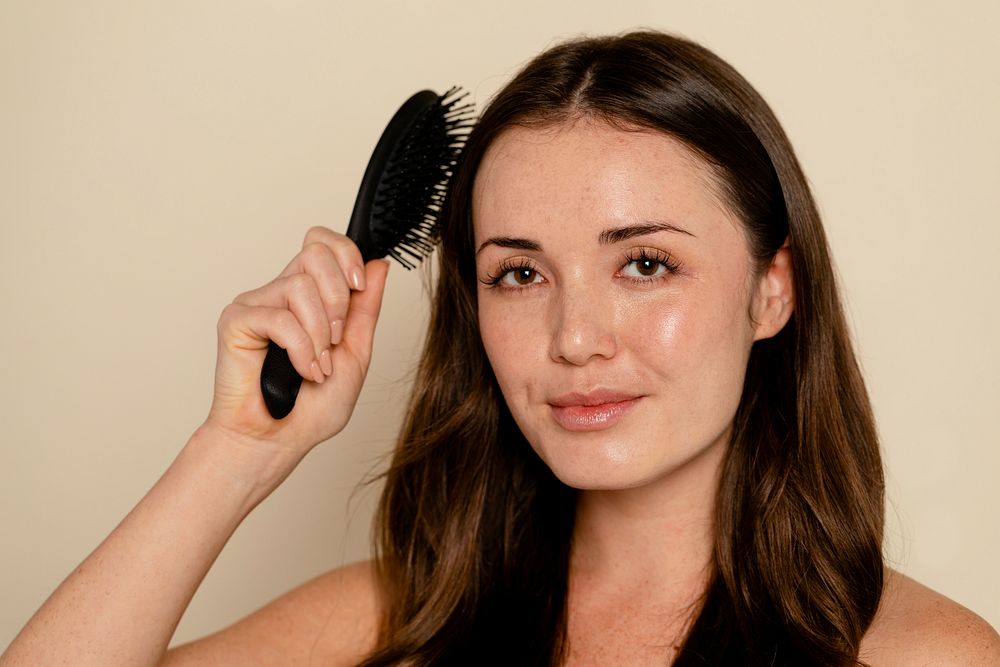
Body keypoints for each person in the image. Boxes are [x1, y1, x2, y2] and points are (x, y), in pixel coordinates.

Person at [3, 30, 998, 667]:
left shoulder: (921, 654)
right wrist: (238, 451)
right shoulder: (395, 623)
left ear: (771, 289)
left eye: (644, 263)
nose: (573, 339)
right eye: (519, 273)